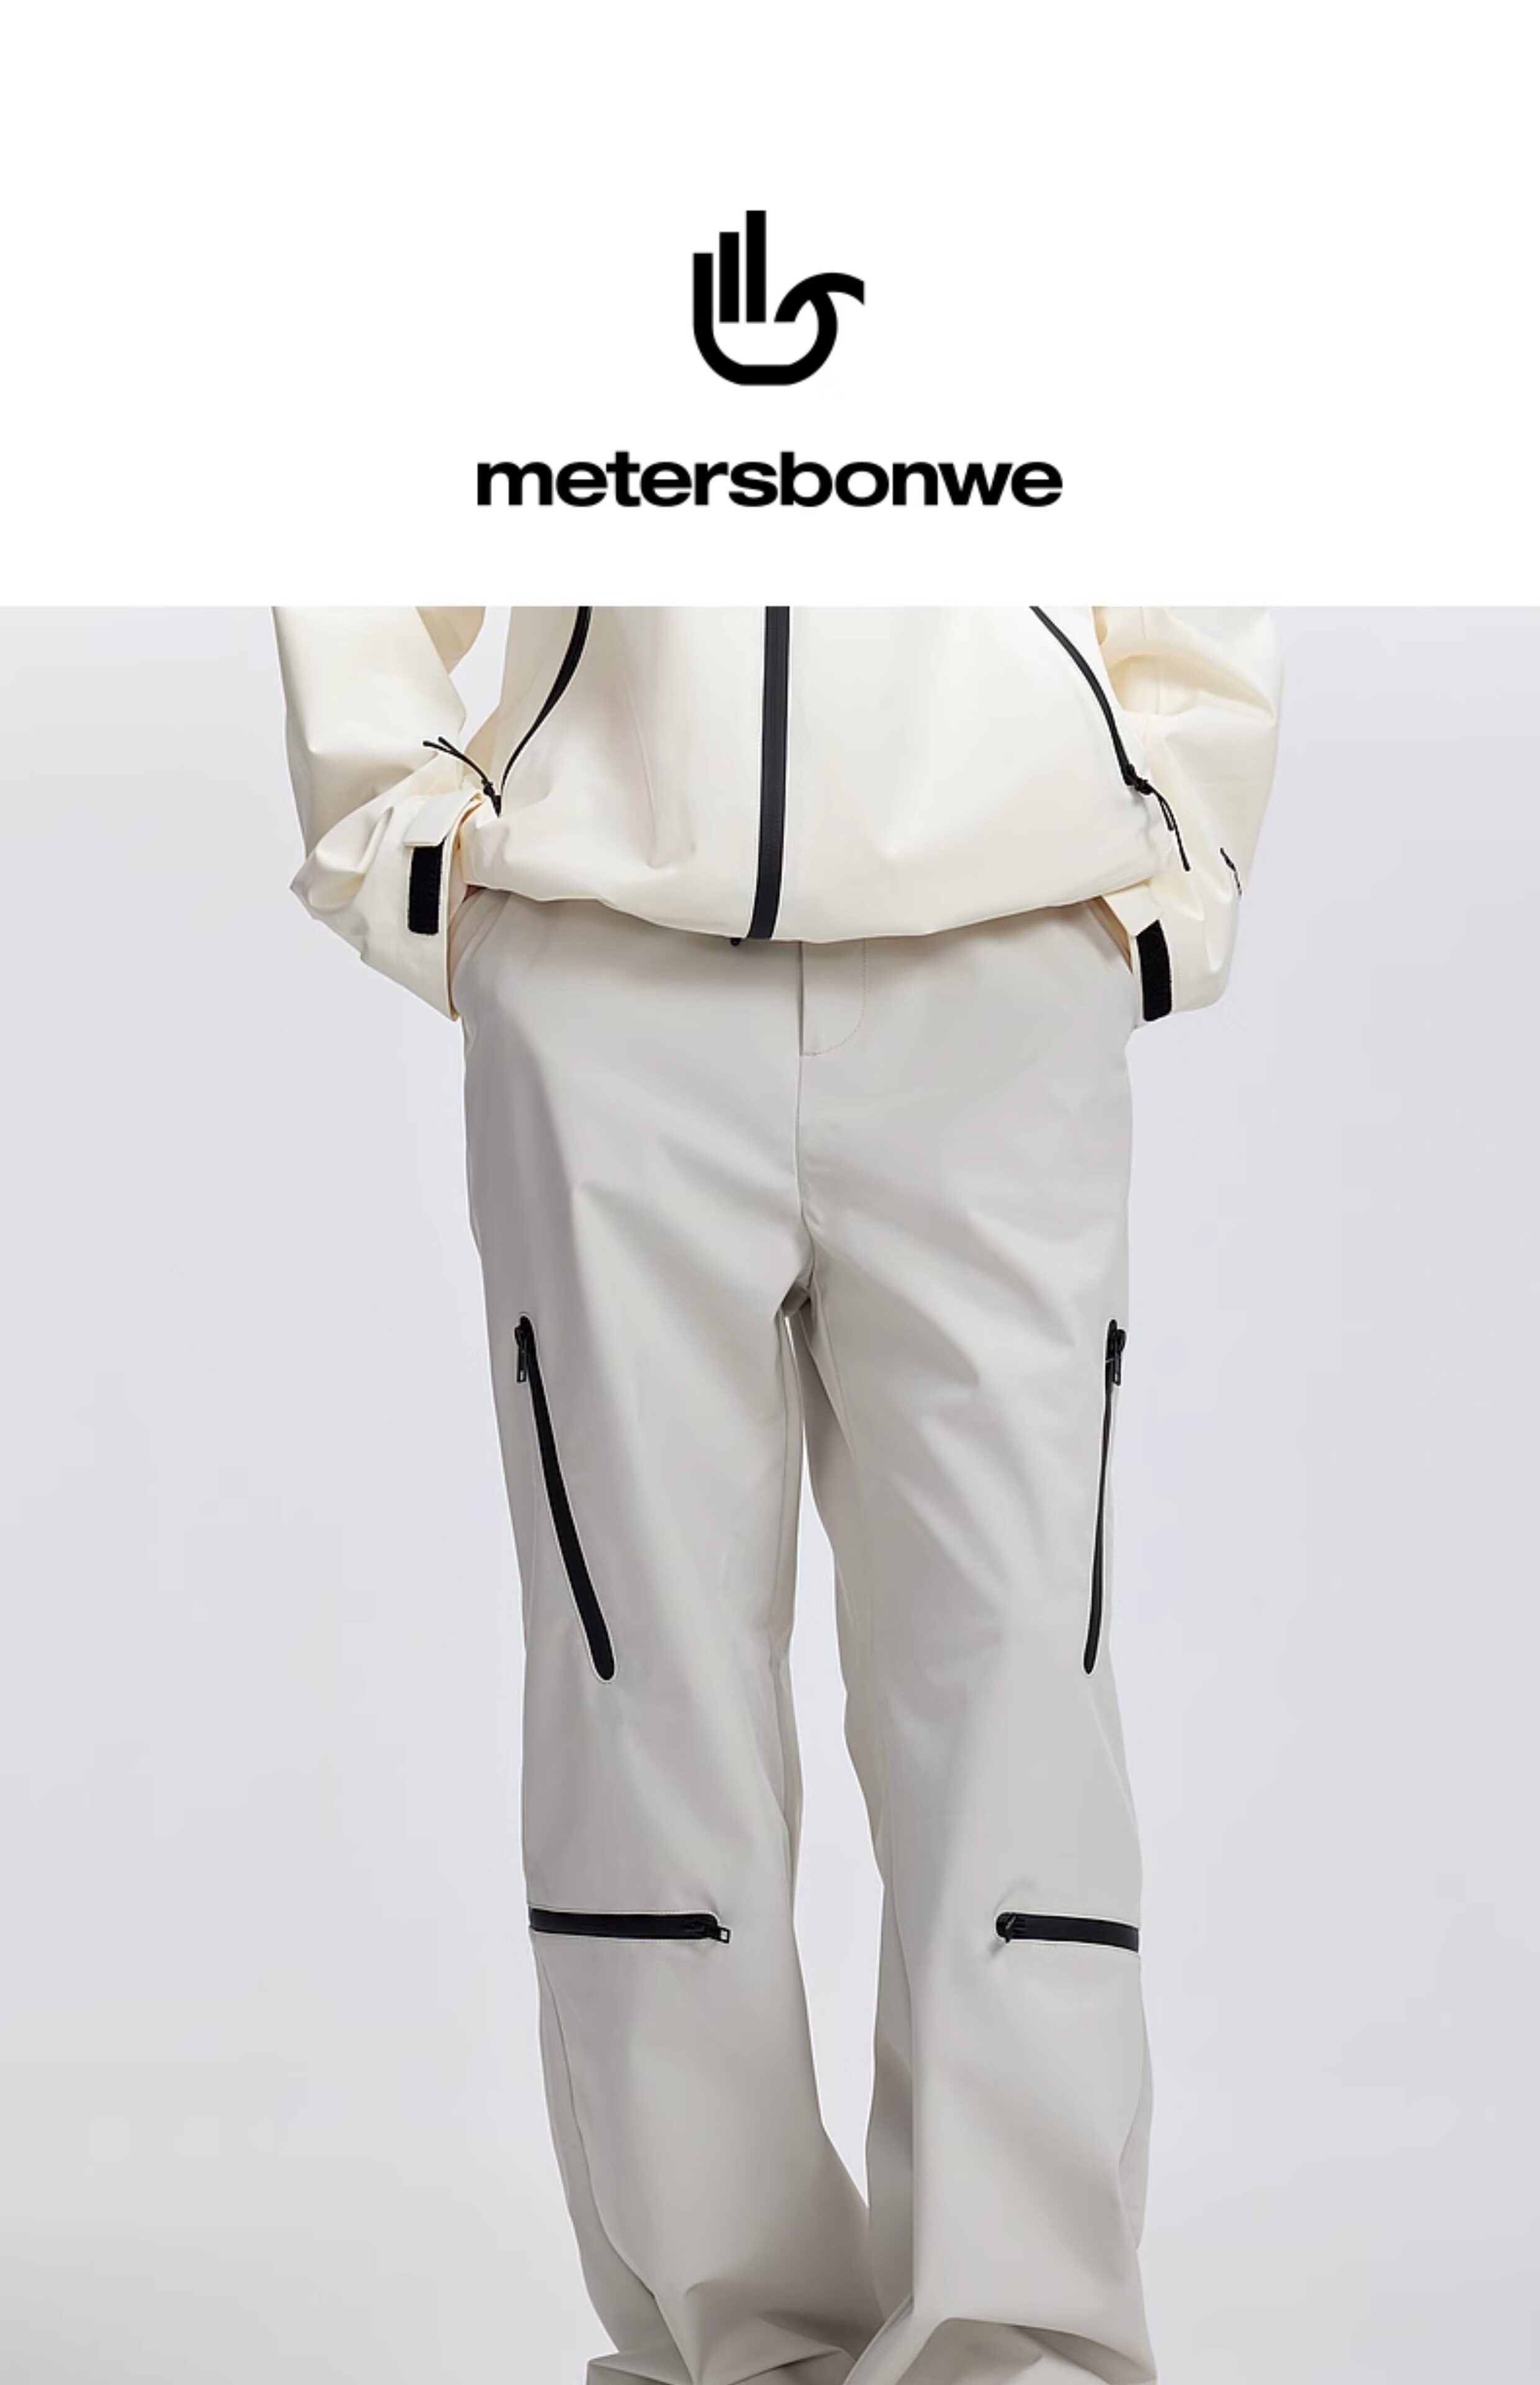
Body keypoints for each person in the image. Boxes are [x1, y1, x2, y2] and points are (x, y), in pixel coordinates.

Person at [275, 606, 1282, 2385]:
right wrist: (408, 844)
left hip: (1002, 961)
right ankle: (727, 2349)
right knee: (642, 1698)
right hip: (610, 965)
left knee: (1017, 1686)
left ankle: (1020, 2345)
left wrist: (1173, 863)